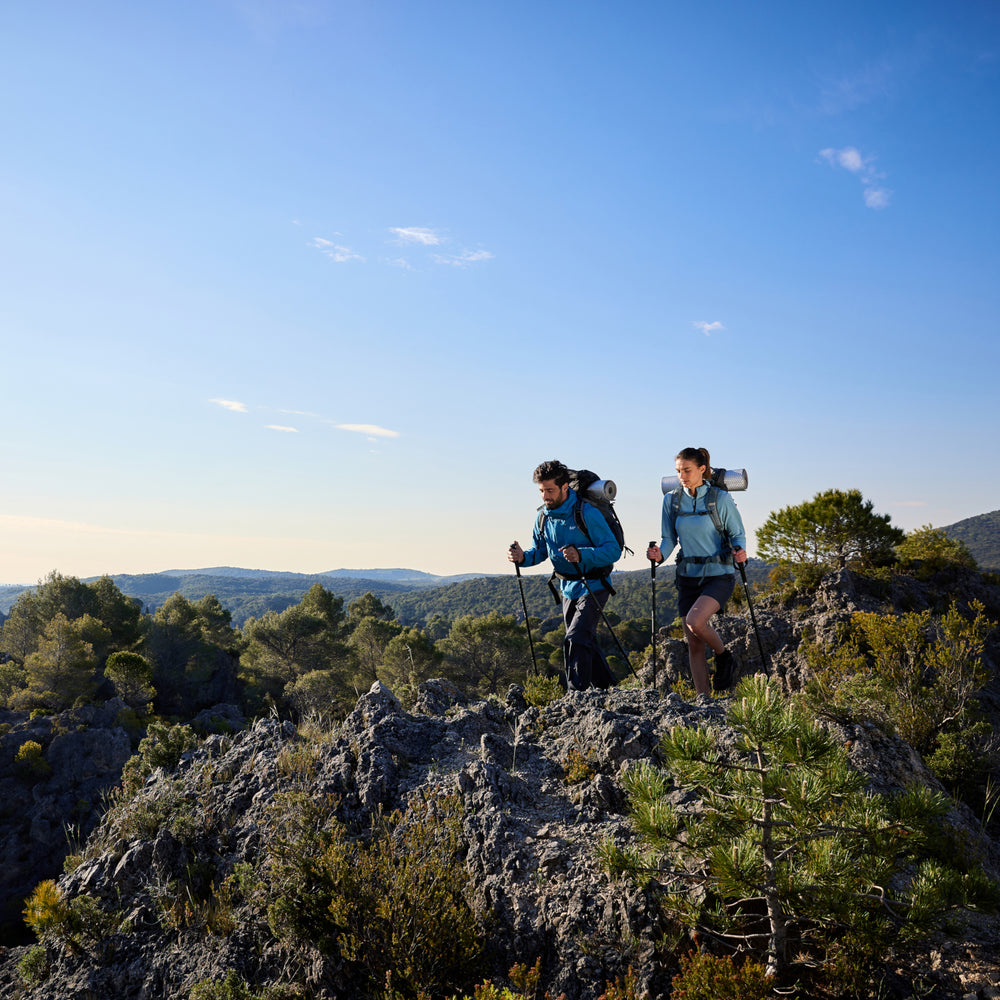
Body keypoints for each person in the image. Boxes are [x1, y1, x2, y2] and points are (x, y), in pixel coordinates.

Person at [508, 460, 622, 691]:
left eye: (550, 490)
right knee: (585, 641)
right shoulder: (543, 517)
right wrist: (522, 558)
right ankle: (609, 691)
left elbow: (612, 551)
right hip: (567, 588)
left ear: (565, 487)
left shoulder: (586, 512)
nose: (545, 496)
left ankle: (575, 697)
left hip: (594, 585)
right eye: (541, 491)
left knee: (575, 639)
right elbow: (540, 551)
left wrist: (581, 554)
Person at [646, 446, 747, 696]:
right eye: (678, 471)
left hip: (719, 574)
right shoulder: (671, 500)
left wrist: (740, 550)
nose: (682, 475)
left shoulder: (719, 498)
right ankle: (705, 700)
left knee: (694, 621)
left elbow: (737, 533)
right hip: (687, 577)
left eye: (687, 470)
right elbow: (669, 538)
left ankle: (724, 656)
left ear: (702, 469)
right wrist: (659, 555)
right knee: (693, 644)